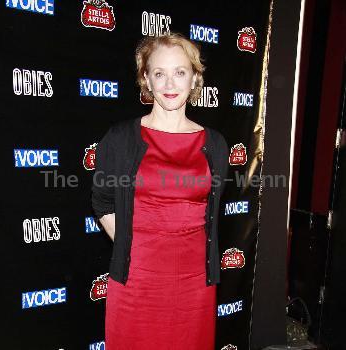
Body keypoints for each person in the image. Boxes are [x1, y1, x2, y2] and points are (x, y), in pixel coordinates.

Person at [91, 32, 229, 350]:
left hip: (195, 285)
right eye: (159, 73)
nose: (170, 83)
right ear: (147, 81)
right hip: (136, 282)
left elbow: (212, 211)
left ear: (195, 78)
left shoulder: (216, 145)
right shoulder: (120, 138)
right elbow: (102, 200)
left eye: (180, 72)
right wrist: (133, 245)